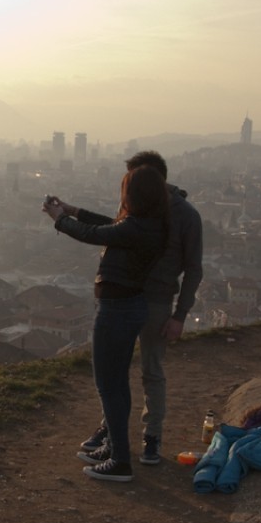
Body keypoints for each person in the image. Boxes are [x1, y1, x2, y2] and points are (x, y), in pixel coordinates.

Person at [57, 151, 203, 466]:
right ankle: (111, 432)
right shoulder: (142, 207)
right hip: (128, 297)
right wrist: (75, 211)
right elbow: (116, 228)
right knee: (116, 372)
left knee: (149, 371)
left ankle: (150, 438)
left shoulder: (185, 215)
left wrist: (179, 315)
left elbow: (194, 269)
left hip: (155, 301)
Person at [44, 165, 169, 482]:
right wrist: (72, 211)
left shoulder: (137, 228)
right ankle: (115, 448)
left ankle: (121, 461)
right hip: (128, 307)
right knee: (118, 384)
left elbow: (95, 234)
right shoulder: (149, 224)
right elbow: (110, 226)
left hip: (117, 311)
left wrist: (60, 219)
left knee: (108, 385)